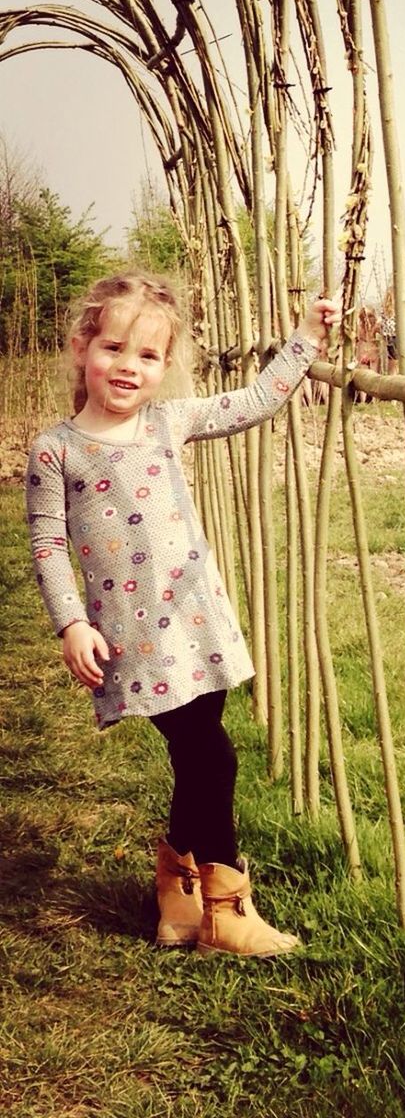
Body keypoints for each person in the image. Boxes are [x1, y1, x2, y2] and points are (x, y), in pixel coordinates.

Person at [25, 272, 338, 958]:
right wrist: (71, 621)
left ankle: (177, 896)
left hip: (197, 618)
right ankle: (227, 914)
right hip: (135, 635)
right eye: (113, 347)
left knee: (197, 757)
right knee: (212, 759)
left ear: (165, 367)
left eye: (147, 356)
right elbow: (47, 542)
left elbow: (257, 400)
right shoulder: (58, 449)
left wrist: (306, 340)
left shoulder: (168, 422)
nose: (127, 367)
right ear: (83, 348)